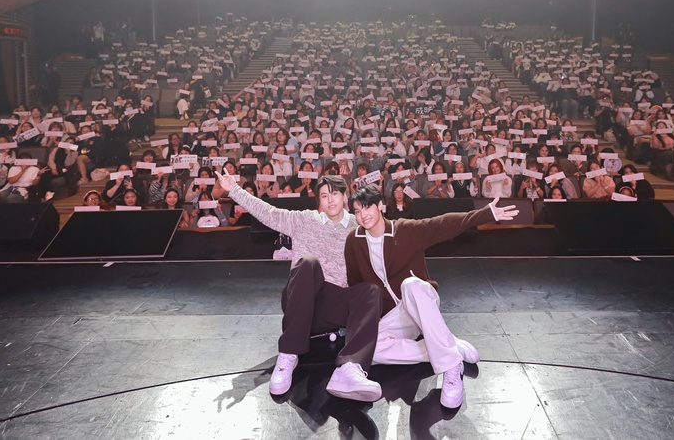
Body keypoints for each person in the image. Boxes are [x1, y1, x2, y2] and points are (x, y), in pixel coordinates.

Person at [215, 169, 383, 402]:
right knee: (308, 263)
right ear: (319, 200)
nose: (330, 200)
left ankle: (350, 368)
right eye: (324, 196)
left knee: (371, 291)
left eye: (335, 194)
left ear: (345, 196)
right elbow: (268, 212)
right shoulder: (304, 219)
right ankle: (288, 355)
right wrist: (234, 189)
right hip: (302, 299)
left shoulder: (359, 227)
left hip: (333, 307)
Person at [345, 185, 518, 408]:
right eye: (357, 211)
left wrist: (485, 214)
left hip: (421, 300)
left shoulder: (405, 229)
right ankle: (443, 346)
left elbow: (443, 224)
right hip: (397, 315)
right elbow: (356, 286)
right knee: (369, 349)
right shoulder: (354, 241)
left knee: (410, 285)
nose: (363, 215)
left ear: (380, 205)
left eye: (367, 207)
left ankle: (451, 366)